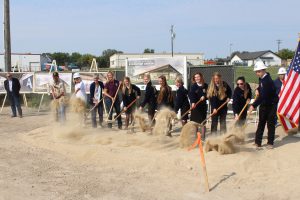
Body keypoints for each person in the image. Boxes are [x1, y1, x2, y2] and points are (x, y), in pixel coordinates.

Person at [248, 61, 277, 149]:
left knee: (270, 124)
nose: (257, 73)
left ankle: (270, 143)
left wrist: (253, 105)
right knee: (261, 123)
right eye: (256, 71)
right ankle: (258, 142)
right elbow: (261, 88)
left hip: (271, 105)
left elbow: (263, 96)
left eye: (259, 71)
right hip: (264, 105)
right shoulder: (262, 78)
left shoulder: (268, 81)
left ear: (264, 70)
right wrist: (258, 89)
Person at [189, 72, 208, 138]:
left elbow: (208, 94)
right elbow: (191, 95)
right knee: (195, 123)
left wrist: (204, 96)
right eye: (195, 77)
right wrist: (193, 102)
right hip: (195, 107)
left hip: (203, 107)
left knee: (203, 122)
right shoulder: (193, 86)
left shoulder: (205, 85)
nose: (197, 78)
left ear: (201, 77)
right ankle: (195, 137)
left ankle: (203, 138)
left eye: (198, 77)